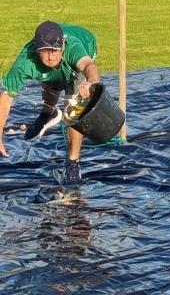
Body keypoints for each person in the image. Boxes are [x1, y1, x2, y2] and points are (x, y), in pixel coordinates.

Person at [0, 21, 101, 186]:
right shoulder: (25, 61)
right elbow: (6, 97)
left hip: (85, 42)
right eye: (45, 51)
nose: (50, 56)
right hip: (50, 61)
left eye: (54, 50)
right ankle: (47, 113)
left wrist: (91, 83)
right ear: (36, 50)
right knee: (49, 75)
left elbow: (89, 66)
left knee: (72, 107)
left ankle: (73, 163)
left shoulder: (73, 48)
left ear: (62, 46)